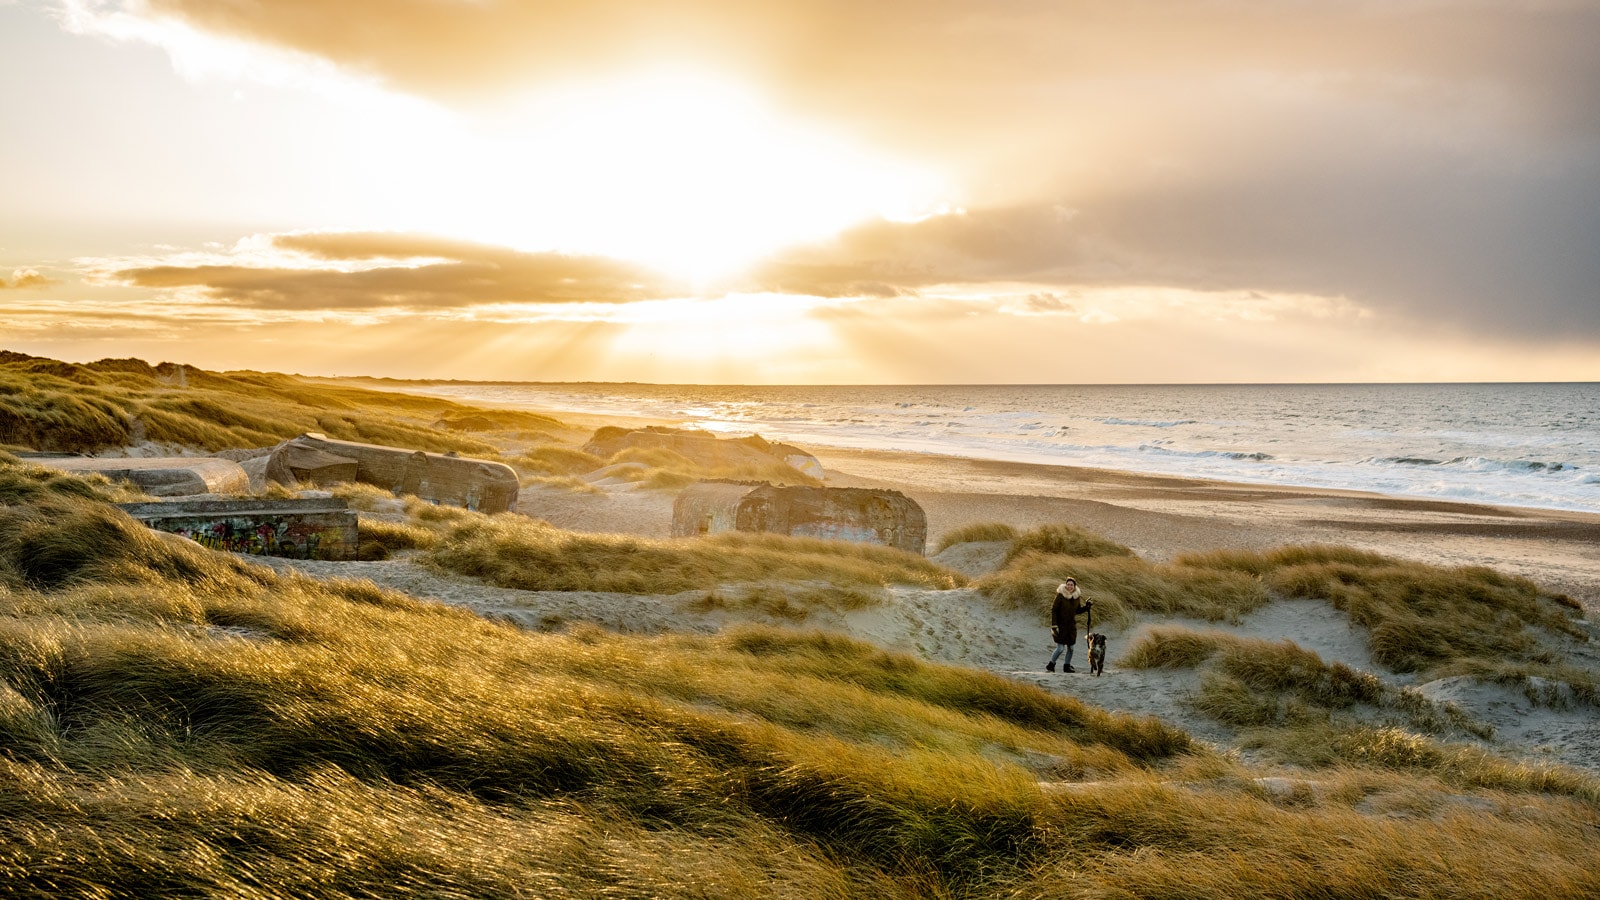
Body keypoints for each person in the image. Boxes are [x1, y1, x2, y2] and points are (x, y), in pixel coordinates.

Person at [1046, 578, 1092, 673]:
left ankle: (1066, 666)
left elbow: (1077, 610)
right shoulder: (1060, 595)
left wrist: (1086, 607)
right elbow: (1054, 610)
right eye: (1068, 584)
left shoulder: (1076, 597)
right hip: (1060, 625)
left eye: (1071, 585)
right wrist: (1054, 625)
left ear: (1074, 586)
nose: (1069, 586)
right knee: (1060, 648)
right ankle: (1051, 664)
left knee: (1071, 648)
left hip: (1071, 626)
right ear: (1066, 585)